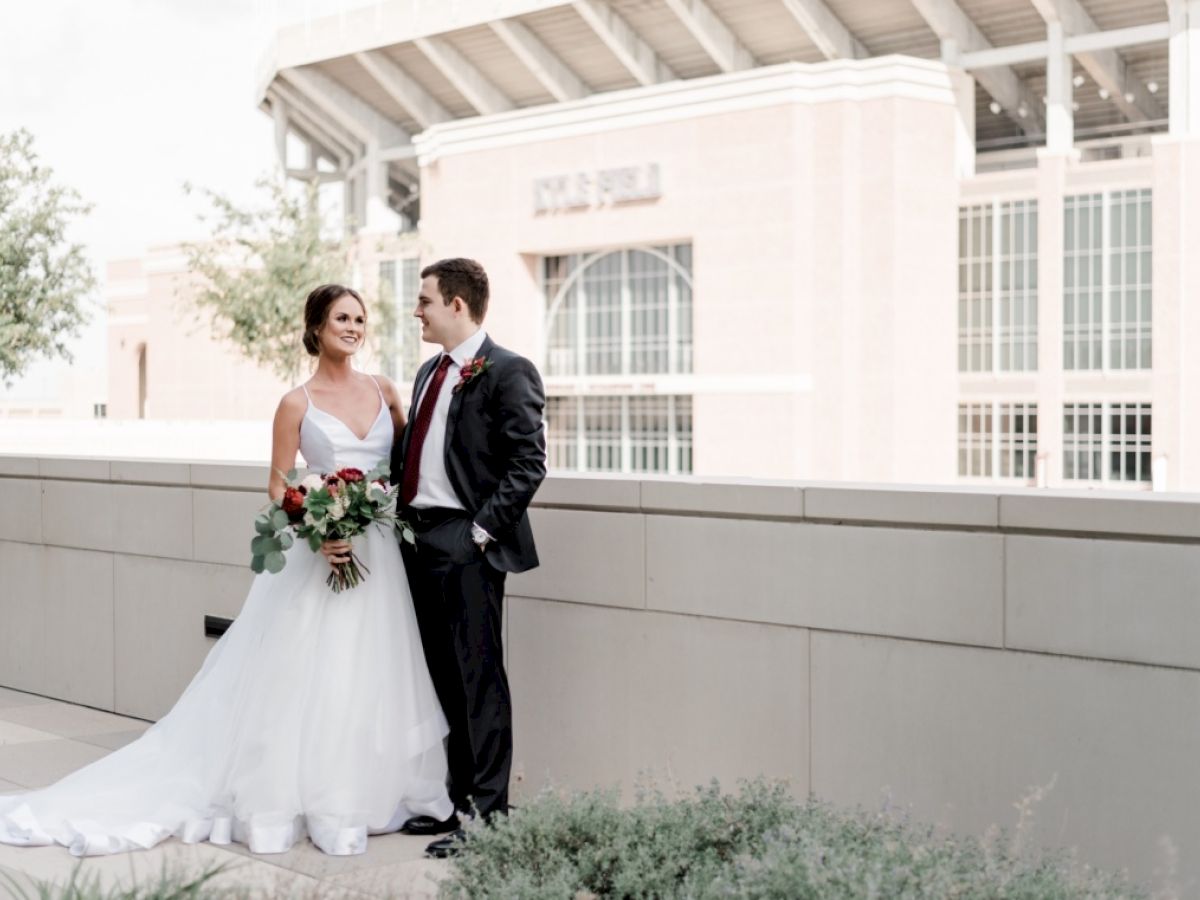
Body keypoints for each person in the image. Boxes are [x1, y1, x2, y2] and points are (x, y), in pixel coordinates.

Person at [0, 284, 453, 857]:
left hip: (380, 553)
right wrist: (318, 527)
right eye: (342, 317)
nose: (354, 327)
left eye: (360, 319)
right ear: (316, 326)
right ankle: (303, 800)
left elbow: (405, 461)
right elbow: (278, 481)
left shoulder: (386, 390)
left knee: (373, 670)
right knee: (309, 676)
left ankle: (372, 794)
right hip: (320, 554)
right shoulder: (297, 402)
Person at [387, 258, 546, 858]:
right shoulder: (430, 371)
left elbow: (528, 464)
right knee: (442, 679)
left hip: (468, 544)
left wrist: (479, 533)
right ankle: (455, 804)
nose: (417, 311)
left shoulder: (508, 371)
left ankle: (488, 818)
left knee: (479, 680)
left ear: (457, 304)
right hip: (417, 540)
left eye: (424, 300)